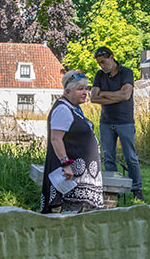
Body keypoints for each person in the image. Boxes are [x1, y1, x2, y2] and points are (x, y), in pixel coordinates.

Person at [40, 70, 104, 214]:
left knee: (79, 218)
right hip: (72, 177)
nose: (85, 92)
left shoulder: (73, 108)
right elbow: (56, 139)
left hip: (83, 177)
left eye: (86, 89)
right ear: (67, 91)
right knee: (69, 217)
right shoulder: (63, 109)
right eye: (80, 89)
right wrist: (66, 164)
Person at [90, 46, 144, 202]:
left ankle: (137, 189)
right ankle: (114, 190)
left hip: (125, 121)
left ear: (112, 57)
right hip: (106, 121)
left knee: (131, 157)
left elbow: (126, 94)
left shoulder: (126, 72)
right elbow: (93, 97)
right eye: (99, 63)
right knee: (108, 158)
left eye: (104, 62)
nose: (102, 66)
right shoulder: (100, 75)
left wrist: (104, 94)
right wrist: (116, 96)